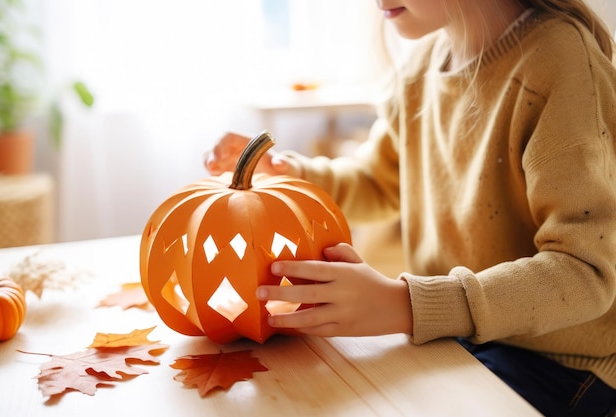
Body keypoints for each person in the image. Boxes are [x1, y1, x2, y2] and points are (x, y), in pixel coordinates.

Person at [205, 1, 616, 415]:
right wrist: (293, 173)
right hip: (465, 333)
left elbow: (586, 270)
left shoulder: (562, 62)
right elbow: (378, 182)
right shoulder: (422, 64)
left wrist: (406, 304)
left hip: (564, 364)